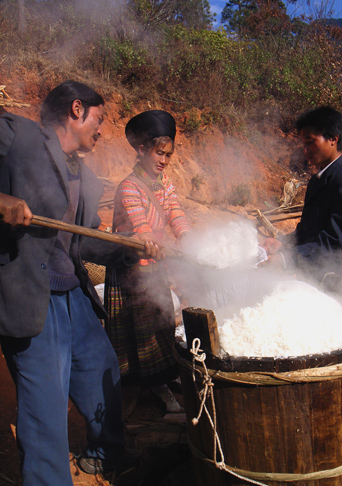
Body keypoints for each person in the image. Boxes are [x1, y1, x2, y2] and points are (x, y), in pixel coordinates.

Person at [0, 80, 162, 486]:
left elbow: (87, 242)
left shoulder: (86, 179)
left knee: (100, 368)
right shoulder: (17, 136)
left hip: (71, 292)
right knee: (46, 403)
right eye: (100, 119)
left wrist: (128, 247)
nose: (102, 130)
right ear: (76, 110)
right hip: (31, 296)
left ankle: (107, 455)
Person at [105, 110, 190, 413]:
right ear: (141, 150)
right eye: (159, 152)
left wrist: (190, 240)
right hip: (132, 269)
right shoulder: (129, 187)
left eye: (168, 154)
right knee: (142, 333)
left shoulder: (164, 182)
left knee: (164, 323)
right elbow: (141, 230)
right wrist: (157, 250)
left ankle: (166, 376)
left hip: (155, 265)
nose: (164, 160)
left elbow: (175, 212)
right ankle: (153, 386)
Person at [264, 106, 342, 279]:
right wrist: (281, 244)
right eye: (303, 143)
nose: (305, 150)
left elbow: (336, 244)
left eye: (310, 141)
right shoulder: (317, 180)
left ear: (333, 139)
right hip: (316, 275)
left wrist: (286, 258)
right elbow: (306, 232)